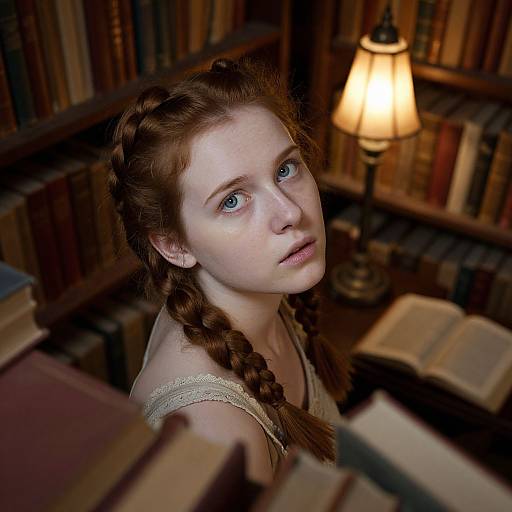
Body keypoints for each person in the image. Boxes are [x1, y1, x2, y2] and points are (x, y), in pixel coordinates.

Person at [109, 57, 351, 485]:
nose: (290, 212)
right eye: (233, 200)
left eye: (285, 169)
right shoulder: (214, 427)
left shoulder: (257, 299)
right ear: (174, 245)